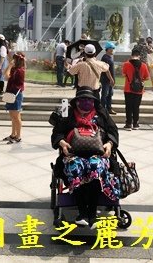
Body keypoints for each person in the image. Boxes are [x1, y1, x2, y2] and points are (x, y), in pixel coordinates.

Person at [51, 86, 120, 228]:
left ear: (94, 101)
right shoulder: (67, 113)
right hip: (73, 154)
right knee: (75, 167)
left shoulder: (101, 113)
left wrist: (109, 144)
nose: (86, 103)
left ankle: (93, 214)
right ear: (76, 102)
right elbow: (57, 133)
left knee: (96, 166)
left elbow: (113, 131)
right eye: (82, 100)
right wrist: (62, 143)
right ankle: (82, 213)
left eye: (89, 100)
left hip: (97, 154)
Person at [122, 48, 149, 130]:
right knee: (136, 107)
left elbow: (123, 74)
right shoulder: (143, 65)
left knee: (128, 106)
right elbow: (147, 77)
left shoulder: (126, 64)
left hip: (128, 88)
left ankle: (128, 124)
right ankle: (136, 124)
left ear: (131, 55)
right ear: (139, 56)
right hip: (139, 89)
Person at [3, 51, 26, 144]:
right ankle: (13, 134)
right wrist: (10, 66)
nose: (12, 60)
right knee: (12, 116)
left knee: (16, 116)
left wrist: (9, 65)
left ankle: (18, 136)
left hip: (16, 95)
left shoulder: (20, 71)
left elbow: (6, 76)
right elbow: (4, 73)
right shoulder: (15, 69)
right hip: (11, 94)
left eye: (14, 59)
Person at [100, 41, 116, 115]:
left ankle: (109, 108)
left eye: (113, 48)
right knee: (105, 95)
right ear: (107, 49)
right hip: (106, 80)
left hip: (109, 80)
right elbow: (106, 70)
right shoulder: (105, 58)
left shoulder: (109, 57)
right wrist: (111, 79)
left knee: (110, 94)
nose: (113, 49)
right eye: (111, 48)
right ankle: (102, 109)